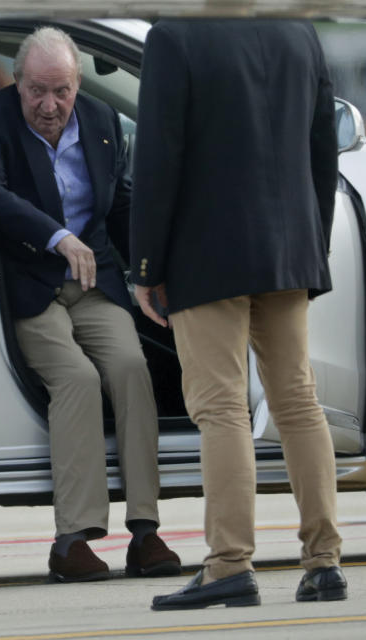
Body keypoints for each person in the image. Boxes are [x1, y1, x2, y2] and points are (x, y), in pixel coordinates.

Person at [129, 19, 346, 610]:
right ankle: (323, 561)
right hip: (290, 246)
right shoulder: (298, 31)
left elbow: (157, 155)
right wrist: (311, 243)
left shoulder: (176, 36)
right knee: (298, 401)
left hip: (208, 252)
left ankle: (229, 564)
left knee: (220, 407)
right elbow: (323, 142)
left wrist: (145, 264)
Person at [0, 27, 181, 583]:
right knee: (77, 379)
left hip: (95, 284)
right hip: (31, 286)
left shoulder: (103, 123)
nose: (49, 104)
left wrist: (153, 271)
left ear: (77, 84)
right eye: (36, 90)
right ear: (17, 82)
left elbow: (123, 204)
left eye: (60, 91)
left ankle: (146, 531)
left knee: (133, 369)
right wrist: (57, 236)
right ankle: (73, 538)